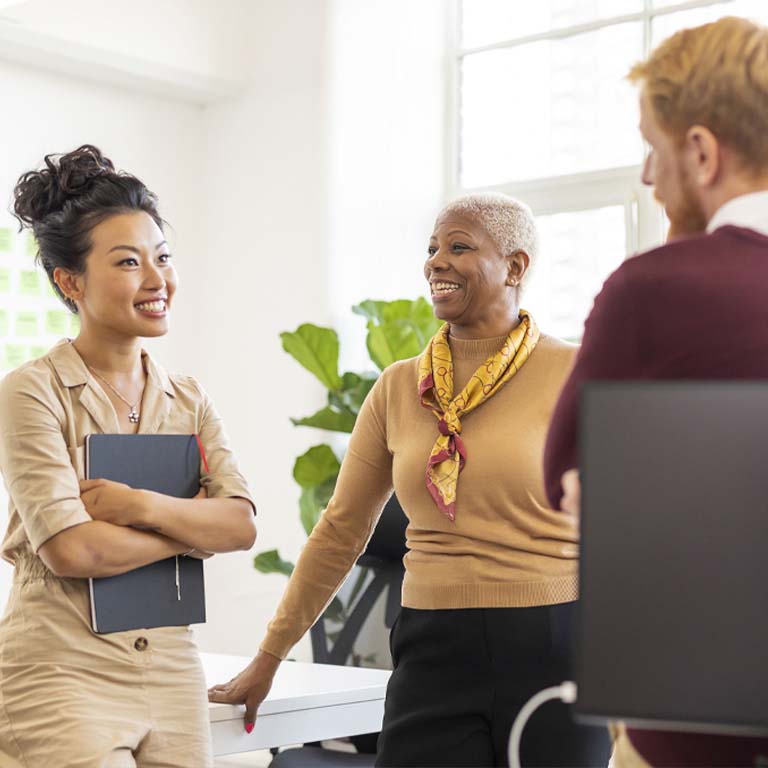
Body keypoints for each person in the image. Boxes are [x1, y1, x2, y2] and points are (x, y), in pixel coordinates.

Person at [209, 192, 610, 767]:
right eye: (431, 249)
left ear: (516, 267)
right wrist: (268, 658)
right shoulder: (399, 388)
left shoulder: (575, 373)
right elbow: (340, 530)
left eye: (459, 246)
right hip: (432, 645)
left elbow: (630, 524)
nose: (435, 262)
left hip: (552, 640)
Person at [543, 16, 768, 768]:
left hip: (699, 734)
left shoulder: (655, 292)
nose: (647, 175)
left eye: (653, 145)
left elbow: (567, 480)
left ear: (702, 151)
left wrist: (683, 250)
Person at [0, 145, 257, 768]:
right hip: (60, 666)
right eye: (128, 262)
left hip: (170, 664)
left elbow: (241, 525)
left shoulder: (188, 397)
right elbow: (72, 550)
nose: (156, 279)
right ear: (70, 281)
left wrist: (135, 505)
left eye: (162, 258)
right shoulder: (30, 391)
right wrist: (189, 529)